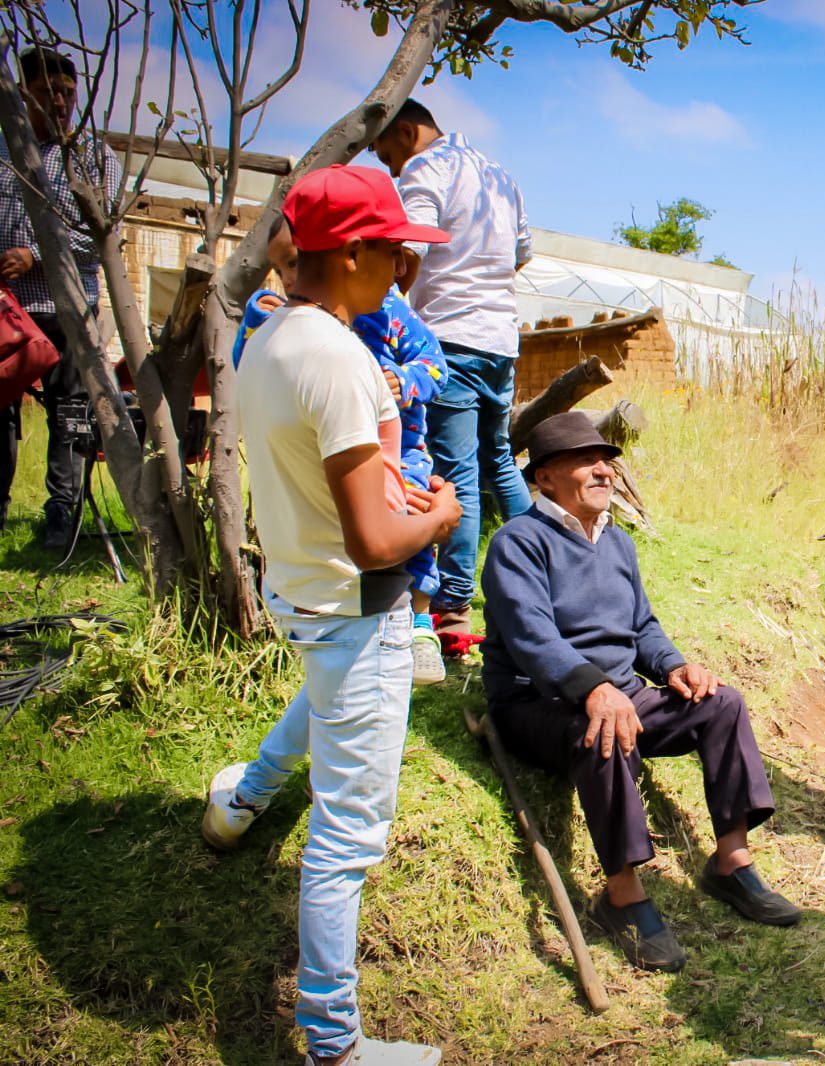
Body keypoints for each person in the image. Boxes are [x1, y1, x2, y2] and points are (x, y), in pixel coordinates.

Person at [200, 164, 461, 1066]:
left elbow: (326, 492)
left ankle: (241, 800)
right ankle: (331, 1043)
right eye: (394, 251)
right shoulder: (343, 361)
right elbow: (373, 542)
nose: (402, 268)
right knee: (347, 839)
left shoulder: (268, 338)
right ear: (349, 251)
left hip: (304, 593)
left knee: (325, 694)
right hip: (358, 602)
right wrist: (440, 513)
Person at [481, 412, 799, 973]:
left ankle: (731, 863)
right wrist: (594, 688)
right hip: (542, 703)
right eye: (587, 460)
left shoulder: (618, 543)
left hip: (621, 692)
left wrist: (675, 666)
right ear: (547, 478)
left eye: (607, 459)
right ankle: (622, 897)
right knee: (598, 729)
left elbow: (642, 626)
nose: (604, 469)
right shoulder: (518, 542)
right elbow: (533, 638)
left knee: (720, 703)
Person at [232, 220, 453, 686]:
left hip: (400, 448)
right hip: (328, 452)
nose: (289, 278)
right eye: (282, 268)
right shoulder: (278, 319)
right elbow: (243, 361)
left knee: (408, 508)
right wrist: (256, 322)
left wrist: (406, 380)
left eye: (294, 263)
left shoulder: (387, 312)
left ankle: (419, 619)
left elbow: (436, 366)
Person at [371, 99, 534, 639]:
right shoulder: (499, 175)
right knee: (500, 461)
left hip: (449, 340)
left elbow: (408, 254)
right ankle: (549, 567)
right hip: (500, 341)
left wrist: (389, 314)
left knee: (457, 473)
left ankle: (453, 604)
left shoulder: (426, 169)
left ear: (406, 130)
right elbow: (521, 254)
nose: (388, 167)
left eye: (385, 150)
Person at [0, 46, 122, 545]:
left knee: (69, 410)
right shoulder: (4, 151)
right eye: (47, 91)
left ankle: (61, 511)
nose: (60, 101)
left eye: (68, 93)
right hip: (7, 311)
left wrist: (35, 255)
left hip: (64, 307)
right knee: (1, 411)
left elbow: (99, 235)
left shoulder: (93, 156)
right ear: (22, 94)